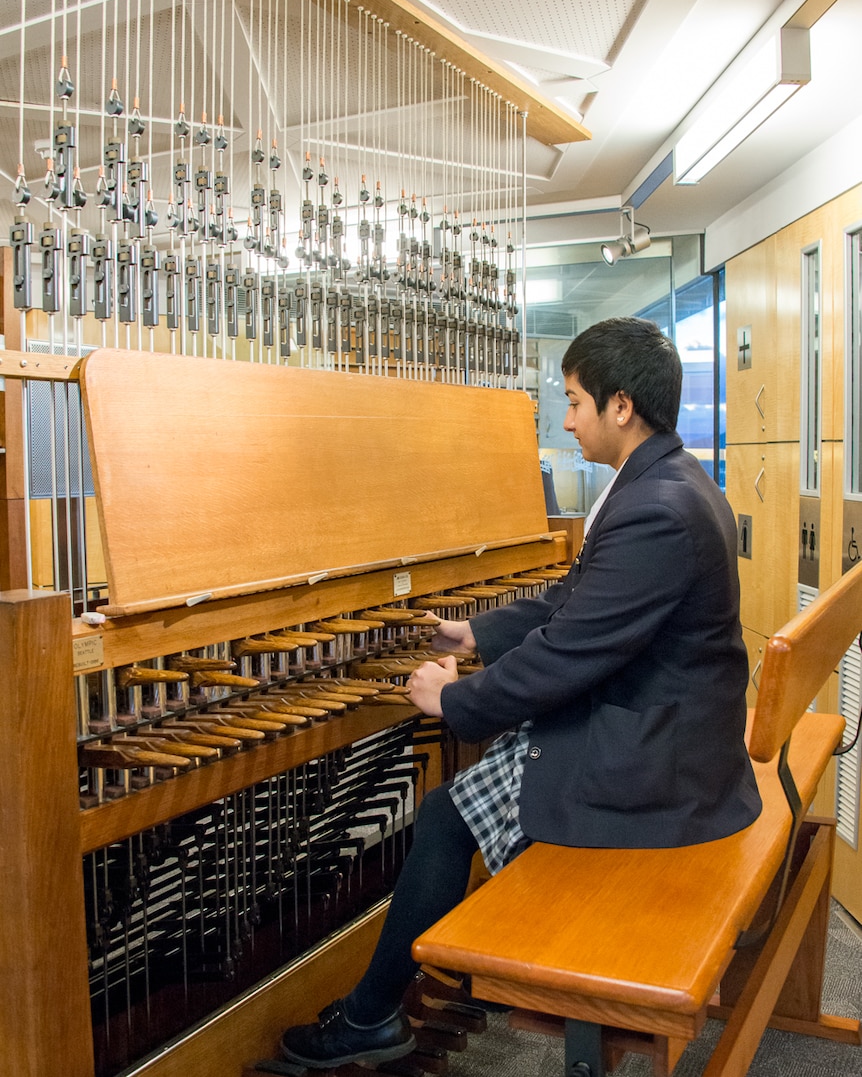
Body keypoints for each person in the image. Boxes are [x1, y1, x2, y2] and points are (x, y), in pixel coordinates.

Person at [280, 316, 762, 1069]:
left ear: (621, 406)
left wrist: (455, 702)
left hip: (659, 769)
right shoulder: (665, 481)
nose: (565, 419)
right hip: (666, 735)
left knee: (445, 809)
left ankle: (374, 1013)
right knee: (453, 805)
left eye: (573, 401)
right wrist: (474, 636)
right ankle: (383, 1004)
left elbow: (572, 649)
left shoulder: (655, 510)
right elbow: (577, 602)